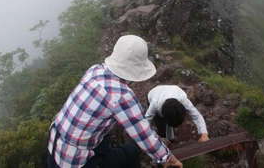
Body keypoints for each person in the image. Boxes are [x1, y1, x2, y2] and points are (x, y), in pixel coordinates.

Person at [47, 35, 183, 168]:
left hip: (54, 147)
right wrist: (167, 158)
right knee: (132, 151)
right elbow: (143, 134)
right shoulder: (121, 94)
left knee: (107, 139)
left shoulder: (95, 70)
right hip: (76, 161)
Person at [145, 85, 209, 143]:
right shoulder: (154, 104)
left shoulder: (182, 99)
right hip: (154, 92)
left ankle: (170, 138)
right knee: (160, 125)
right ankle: (164, 138)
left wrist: (204, 134)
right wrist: (149, 138)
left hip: (172, 90)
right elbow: (146, 120)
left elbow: (196, 116)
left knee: (171, 119)